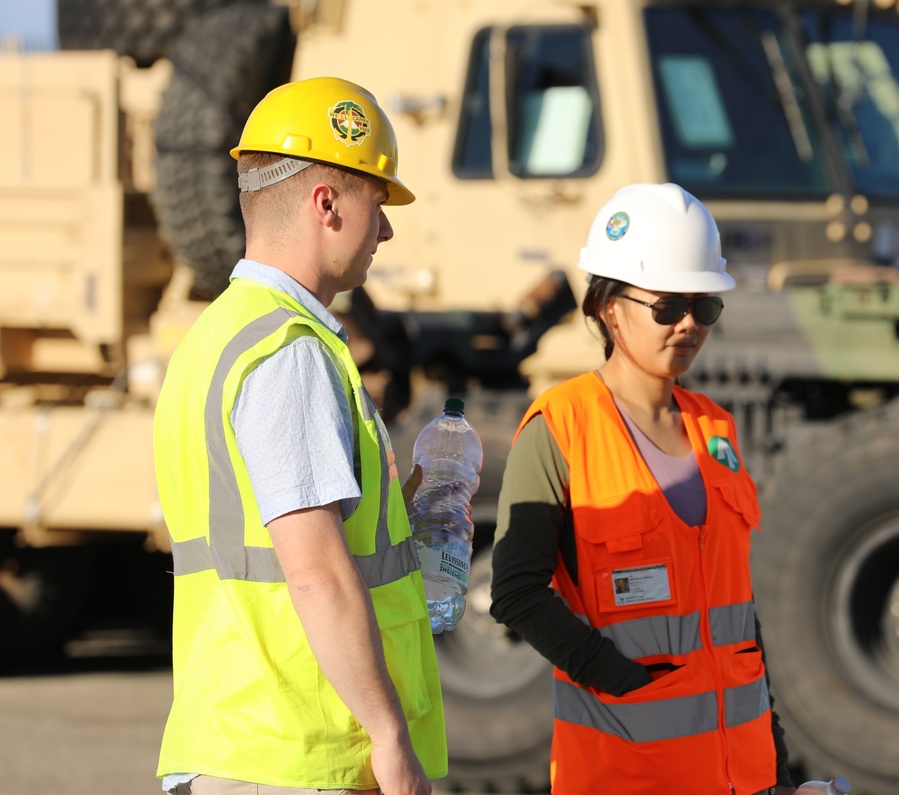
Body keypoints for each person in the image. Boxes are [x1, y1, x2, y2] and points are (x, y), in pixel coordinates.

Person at [153, 77, 446, 795]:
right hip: (296, 753)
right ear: (326, 204)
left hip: (242, 740)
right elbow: (312, 569)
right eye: (377, 204)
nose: (386, 230)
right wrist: (389, 737)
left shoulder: (219, 334)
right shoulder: (290, 350)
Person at [490, 183, 796, 795]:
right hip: (625, 773)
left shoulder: (717, 428)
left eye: (703, 306)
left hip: (744, 775)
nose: (688, 324)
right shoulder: (560, 428)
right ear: (609, 306)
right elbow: (516, 592)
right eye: (667, 306)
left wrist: (777, 768)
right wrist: (617, 678)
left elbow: (736, 619)